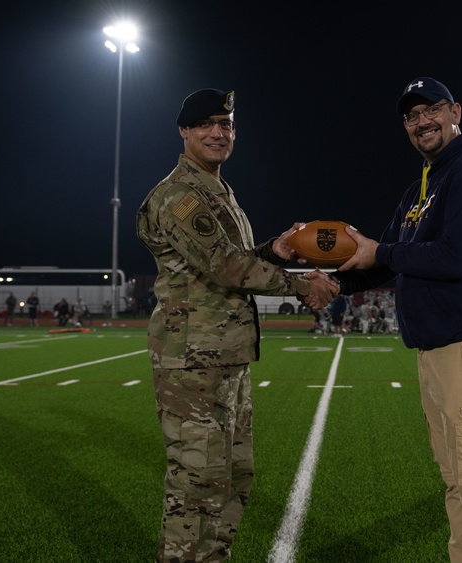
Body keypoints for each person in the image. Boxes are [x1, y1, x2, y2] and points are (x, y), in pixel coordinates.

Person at [135, 87, 337, 563]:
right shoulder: (180, 196)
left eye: (226, 125)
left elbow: (236, 261)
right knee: (196, 486)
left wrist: (275, 250)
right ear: (184, 131)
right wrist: (302, 285)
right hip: (193, 360)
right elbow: (224, 267)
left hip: (225, 356)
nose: (218, 132)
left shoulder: (217, 191)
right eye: (205, 123)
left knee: (233, 478)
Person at [330, 77, 462, 562]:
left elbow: (460, 257)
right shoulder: (426, 181)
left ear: (455, 111)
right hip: (439, 350)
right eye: (412, 116)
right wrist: (332, 280)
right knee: (458, 483)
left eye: (432, 110)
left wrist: (384, 251)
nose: (422, 122)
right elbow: (384, 258)